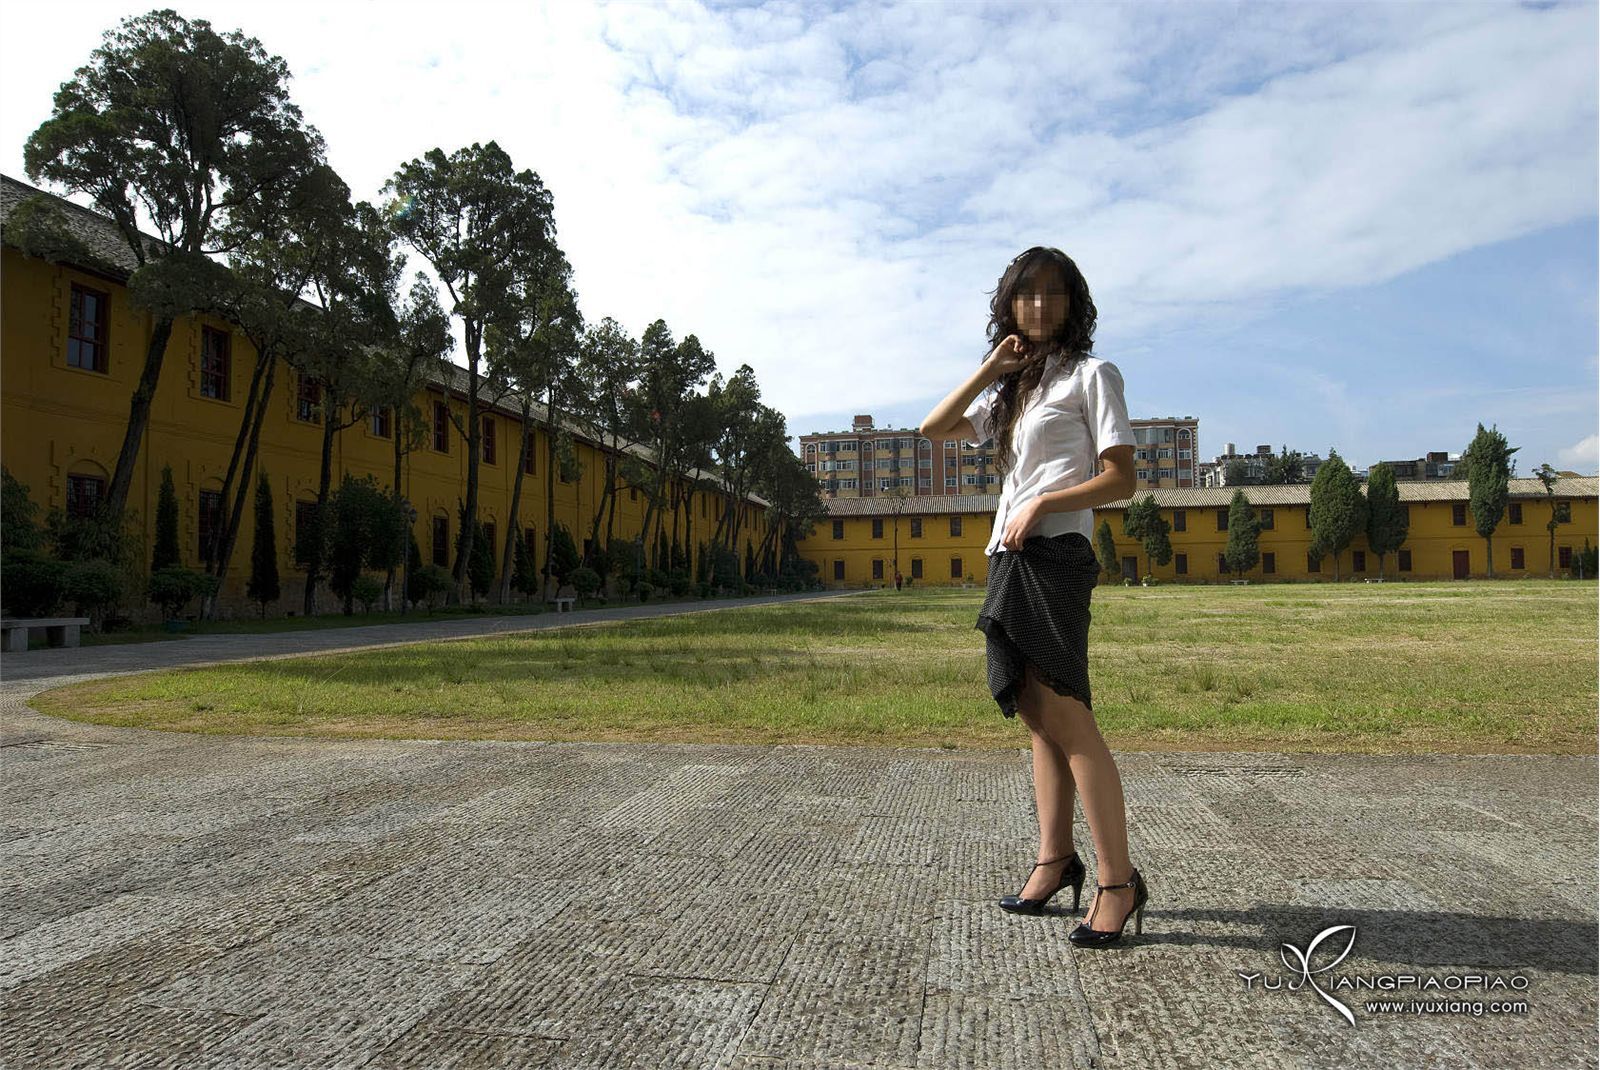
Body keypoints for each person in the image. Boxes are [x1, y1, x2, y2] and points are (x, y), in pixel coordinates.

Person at [918, 246, 1149, 947]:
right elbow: (934, 428)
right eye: (1027, 295)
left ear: (1074, 303)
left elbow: (1120, 479)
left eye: (1054, 293)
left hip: (1056, 557)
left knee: (1068, 718)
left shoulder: (1092, 375)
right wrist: (994, 368)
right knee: (1036, 715)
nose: (1041, 306)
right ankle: (1055, 860)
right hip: (1009, 556)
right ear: (1010, 307)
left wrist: (1045, 500)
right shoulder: (1014, 392)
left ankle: (1118, 882)